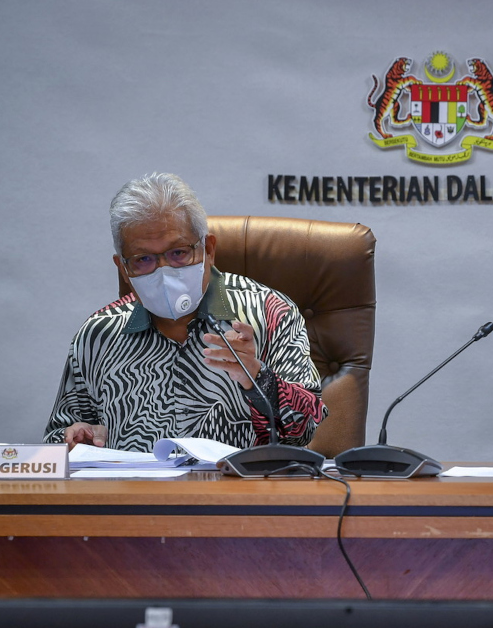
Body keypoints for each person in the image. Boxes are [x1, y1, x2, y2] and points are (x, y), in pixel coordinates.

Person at [44, 172, 326, 452]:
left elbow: (306, 431)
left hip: (240, 493)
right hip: (135, 495)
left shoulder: (269, 312)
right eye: (143, 259)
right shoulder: (98, 334)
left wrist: (259, 379)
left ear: (208, 249)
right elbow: (60, 436)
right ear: (123, 269)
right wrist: (76, 439)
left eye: (178, 252)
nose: (164, 270)